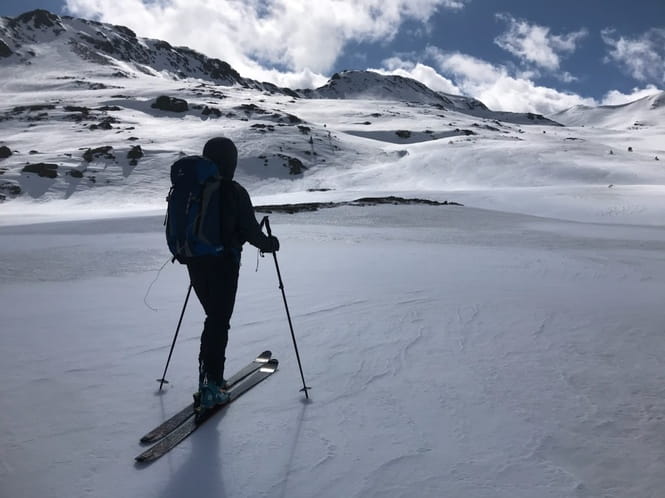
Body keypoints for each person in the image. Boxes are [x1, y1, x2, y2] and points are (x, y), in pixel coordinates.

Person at [188, 137, 279, 409]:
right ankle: (211, 386)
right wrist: (270, 244)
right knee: (219, 321)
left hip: (195, 263)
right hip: (224, 266)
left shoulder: (195, 189)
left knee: (213, 318)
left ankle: (209, 380)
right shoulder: (234, 191)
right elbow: (251, 232)